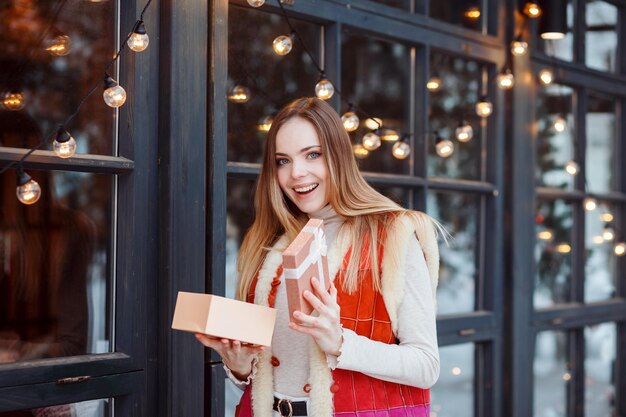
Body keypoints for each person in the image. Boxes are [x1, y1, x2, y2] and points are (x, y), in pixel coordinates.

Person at [196, 97, 441, 417]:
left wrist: (340, 342)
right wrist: (240, 369)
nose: (297, 173)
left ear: (338, 157)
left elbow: (426, 365)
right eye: (282, 161)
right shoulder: (266, 243)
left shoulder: (392, 235)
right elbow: (264, 376)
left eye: (312, 154)